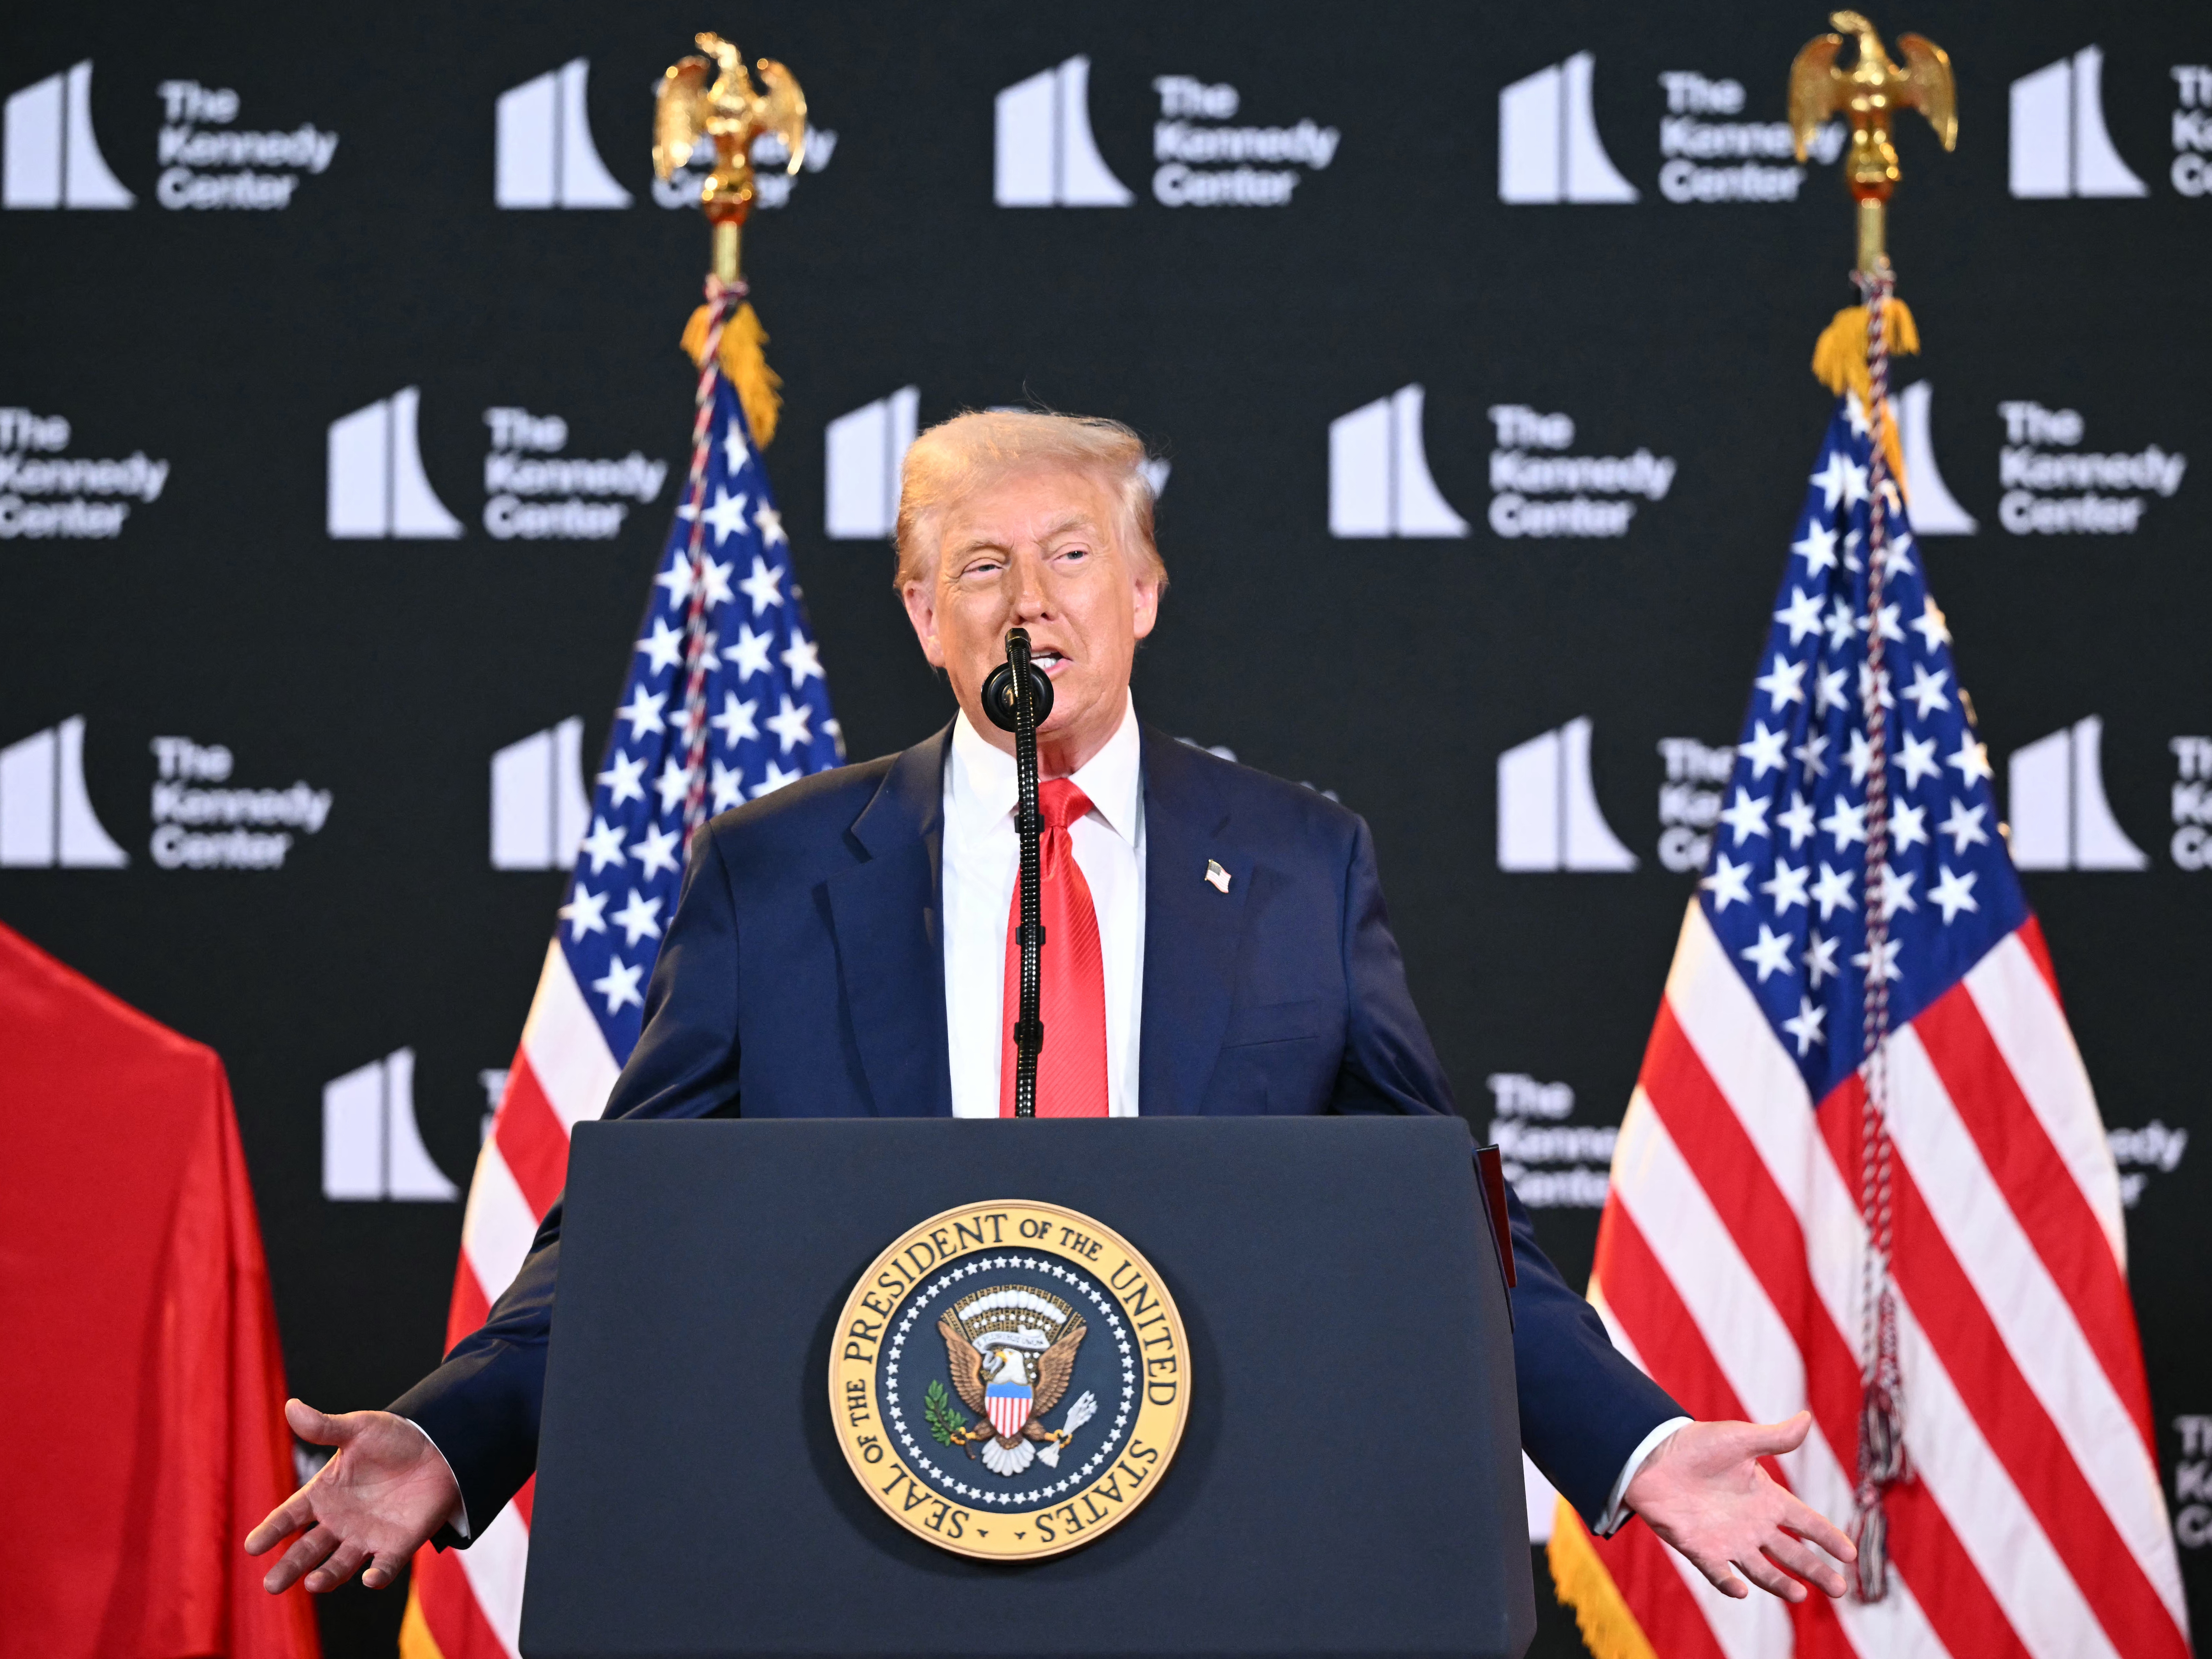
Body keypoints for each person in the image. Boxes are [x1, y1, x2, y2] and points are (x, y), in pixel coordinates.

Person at [247, 411, 1855, 1607]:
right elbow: (635, 1226)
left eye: (1071, 554)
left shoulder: (1298, 862)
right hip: (866, 1558)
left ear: (1145, 590)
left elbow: (1427, 1225)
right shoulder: (777, 872)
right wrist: (460, 1434)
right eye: (981, 568)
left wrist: (1637, 1447)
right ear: (922, 613)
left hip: (1216, 1554)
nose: (1031, 600)